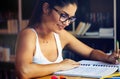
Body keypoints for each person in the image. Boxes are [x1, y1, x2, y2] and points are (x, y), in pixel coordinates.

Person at [15, 0, 120, 79]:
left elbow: (90, 52)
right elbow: (24, 71)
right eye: (64, 15)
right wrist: (60, 65)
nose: (66, 23)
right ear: (46, 8)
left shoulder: (61, 35)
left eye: (70, 18)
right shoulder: (29, 35)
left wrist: (107, 57)